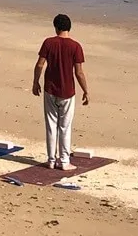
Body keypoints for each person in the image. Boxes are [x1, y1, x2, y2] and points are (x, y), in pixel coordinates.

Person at [32, 14, 90, 171]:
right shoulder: (75, 46)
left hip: (50, 89)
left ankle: (51, 159)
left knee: (51, 125)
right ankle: (64, 161)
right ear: (69, 28)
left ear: (55, 27)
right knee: (65, 126)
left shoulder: (48, 43)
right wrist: (85, 90)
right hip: (67, 91)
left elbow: (39, 65)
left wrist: (35, 82)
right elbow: (79, 72)